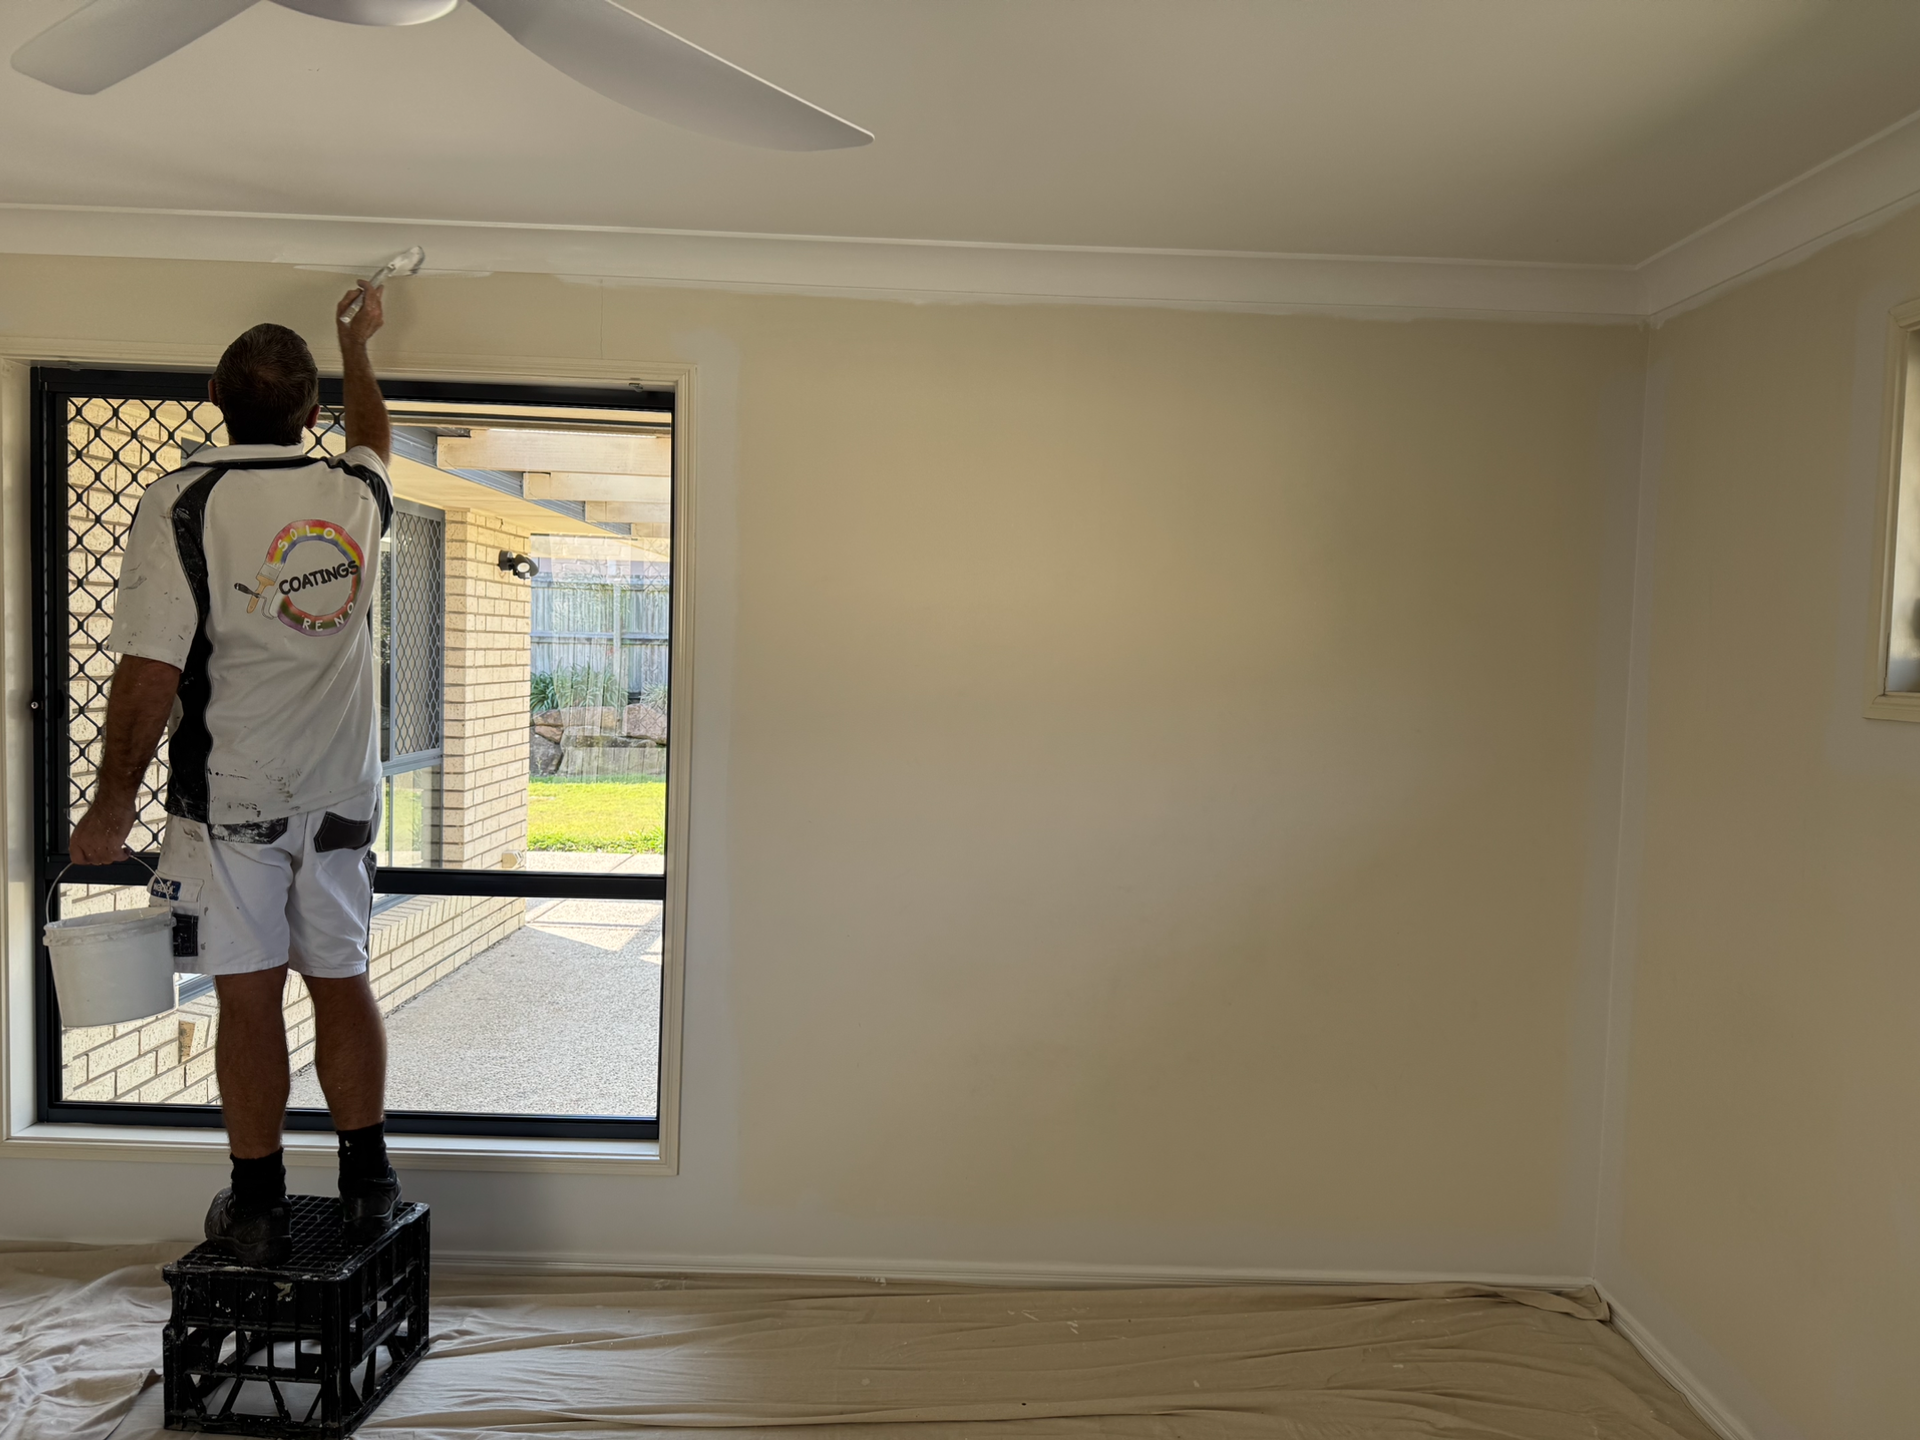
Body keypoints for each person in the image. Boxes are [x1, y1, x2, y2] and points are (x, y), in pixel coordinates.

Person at [70, 283, 401, 1267]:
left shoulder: (184, 501)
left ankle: (257, 1203)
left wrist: (110, 803)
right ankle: (369, 1185)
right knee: (341, 982)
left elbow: (150, 670)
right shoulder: (354, 493)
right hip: (341, 800)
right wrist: (358, 345)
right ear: (310, 415)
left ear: (215, 391)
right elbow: (377, 436)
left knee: (250, 997)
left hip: (233, 808)